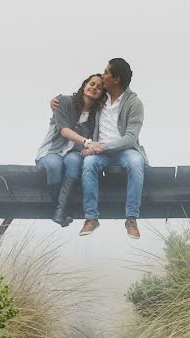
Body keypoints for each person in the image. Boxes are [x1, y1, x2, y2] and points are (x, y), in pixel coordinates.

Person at [74, 58, 146, 238]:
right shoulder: (100, 98)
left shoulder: (134, 103)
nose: (102, 75)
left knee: (137, 163)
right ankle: (91, 218)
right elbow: (80, 97)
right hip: (99, 154)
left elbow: (130, 138)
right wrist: (56, 101)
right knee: (89, 163)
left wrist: (101, 147)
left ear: (116, 79)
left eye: (106, 73)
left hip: (124, 151)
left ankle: (131, 219)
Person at [35, 74, 105, 226]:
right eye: (91, 83)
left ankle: (59, 212)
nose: (94, 88)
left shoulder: (97, 115)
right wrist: (87, 142)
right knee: (55, 165)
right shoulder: (65, 102)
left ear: (102, 94)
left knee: (74, 161)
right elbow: (64, 131)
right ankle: (60, 210)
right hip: (52, 150)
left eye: (99, 87)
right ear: (85, 84)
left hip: (74, 152)